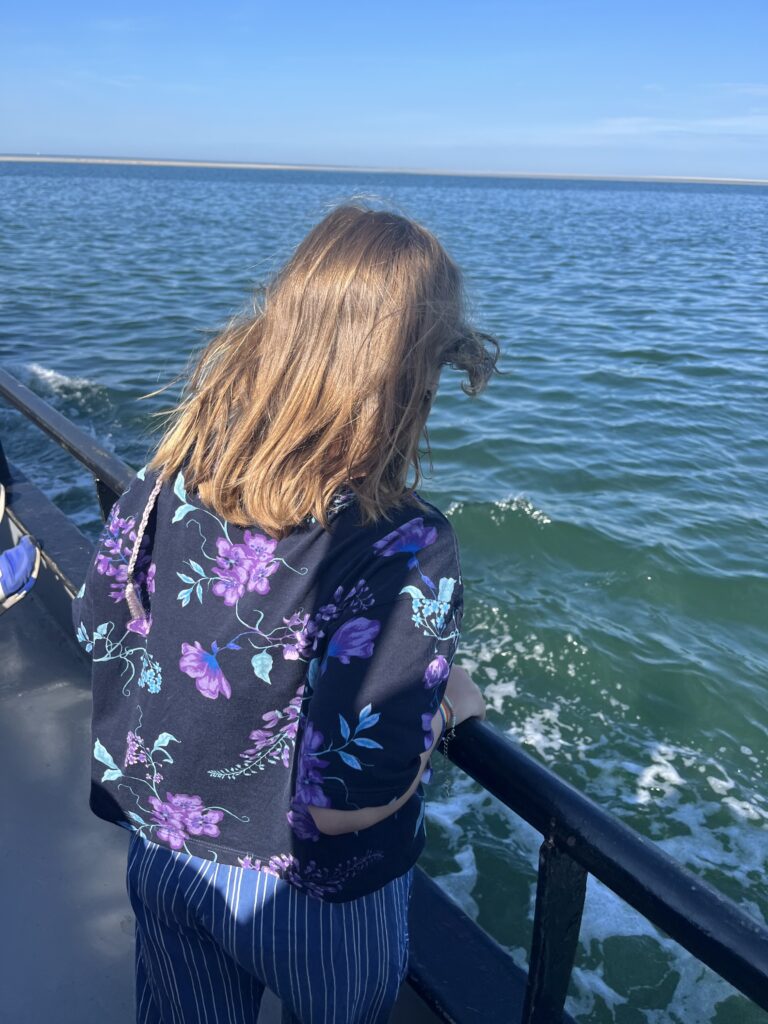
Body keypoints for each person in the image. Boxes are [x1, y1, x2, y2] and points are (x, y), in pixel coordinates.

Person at [72, 202, 498, 1024]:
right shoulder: (405, 542)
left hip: (165, 849)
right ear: (415, 376)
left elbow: (100, 622)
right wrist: (448, 708)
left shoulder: (176, 470)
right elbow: (345, 802)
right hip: (312, 904)